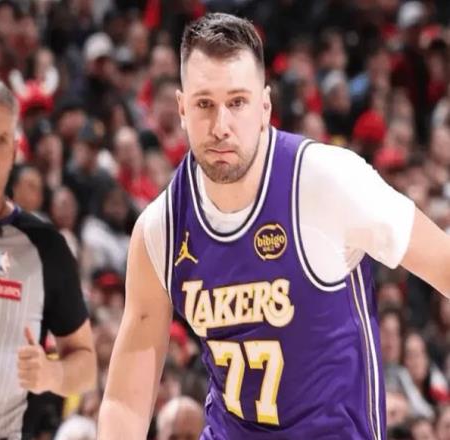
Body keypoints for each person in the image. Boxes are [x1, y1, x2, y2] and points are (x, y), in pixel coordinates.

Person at [98, 13, 450, 439]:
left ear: (264, 106)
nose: (221, 126)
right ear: (182, 108)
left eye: (237, 102)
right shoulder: (161, 228)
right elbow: (125, 401)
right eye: (205, 104)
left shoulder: (326, 181)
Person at [0, 76, 96, 440]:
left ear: (15, 152)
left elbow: (86, 365)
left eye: (2, 141)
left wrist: (52, 375)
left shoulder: (46, 246)